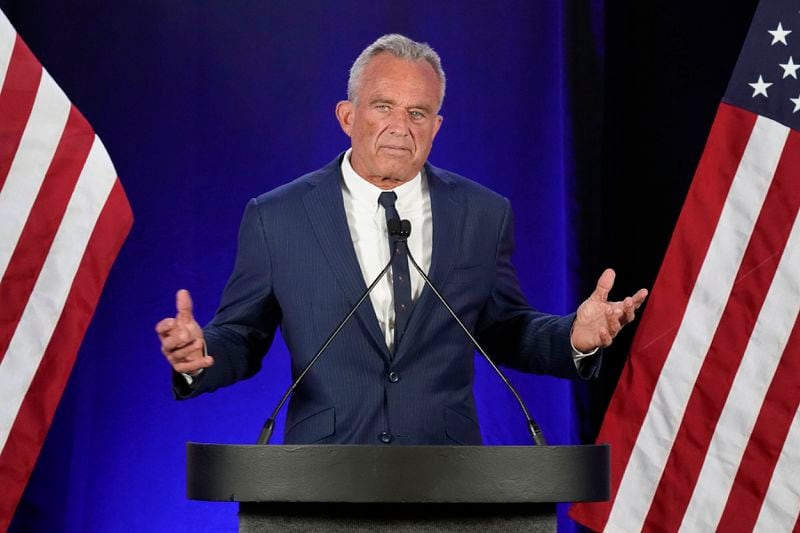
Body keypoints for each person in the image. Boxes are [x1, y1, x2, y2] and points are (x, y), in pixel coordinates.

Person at [156, 34, 647, 445]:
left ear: (436, 127)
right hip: (319, 479)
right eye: (383, 106)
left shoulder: (482, 213)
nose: (399, 127)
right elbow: (243, 335)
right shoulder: (276, 217)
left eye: (417, 113)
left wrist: (574, 340)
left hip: (446, 480)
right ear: (348, 117)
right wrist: (200, 358)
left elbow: (504, 329)